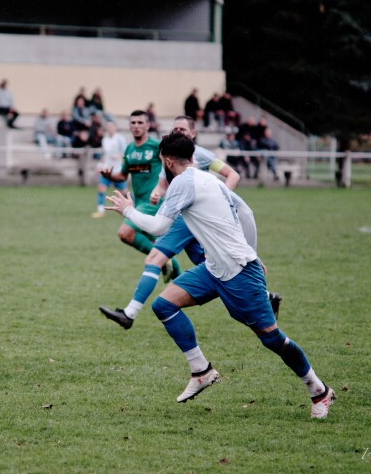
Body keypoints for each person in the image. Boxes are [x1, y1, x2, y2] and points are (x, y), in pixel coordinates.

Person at [104, 132, 335, 418]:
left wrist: (128, 210)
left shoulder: (184, 182)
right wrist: (252, 249)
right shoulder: (207, 178)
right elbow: (245, 211)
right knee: (163, 305)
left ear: (166, 161)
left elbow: (158, 227)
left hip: (239, 272)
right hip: (214, 268)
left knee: (271, 338)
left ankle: (319, 391)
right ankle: (201, 370)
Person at [100, 116, 281, 327]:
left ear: (193, 134)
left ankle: (129, 314)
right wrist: (157, 193)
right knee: (212, 267)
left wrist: (219, 198)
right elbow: (163, 185)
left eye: (183, 129)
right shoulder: (171, 156)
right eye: (175, 128)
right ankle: (266, 296)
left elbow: (232, 175)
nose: (178, 131)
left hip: (187, 219)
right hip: (184, 216)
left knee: (154, 258)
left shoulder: (200, 154)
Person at [99, 110, 177, 280]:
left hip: (153, 201)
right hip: (138, 201)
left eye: (140, 122)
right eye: (133, 123)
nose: (136, 126)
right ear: (129, 126)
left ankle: (163, 260)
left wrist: (163, 189)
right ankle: (176, 273)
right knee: (158, 243)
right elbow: (123, 175)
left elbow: (172, 167)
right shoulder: (129, 149)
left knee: (125, 233)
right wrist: (109, 176)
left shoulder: (157, 146)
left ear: (148, 125)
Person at [91, 121, 128, 217]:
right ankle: (100, 211)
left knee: (124, 192)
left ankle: (133, 207)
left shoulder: (120, 139)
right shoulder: (105, 140)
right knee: (101, 188)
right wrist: (99, 165)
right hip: (106, 170)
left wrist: (119, 156)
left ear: (115, 127)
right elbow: (104, 155)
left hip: (117, 170)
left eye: (111, 126)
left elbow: (126, 154)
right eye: (108, 126)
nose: (110, 128)